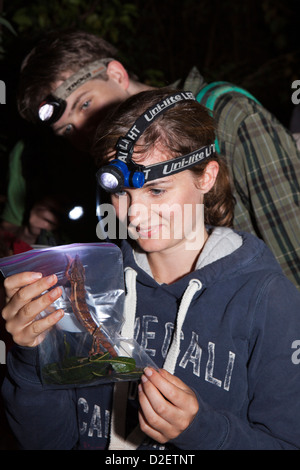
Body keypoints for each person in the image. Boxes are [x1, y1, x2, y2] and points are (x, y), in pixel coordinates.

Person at [2, 89, 300, 450]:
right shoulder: (88, 287)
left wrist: (202, 431)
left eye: (156, 191)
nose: (132, 214)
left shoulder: (268, 300)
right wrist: (29, 354)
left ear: (206, 177)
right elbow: (50, 441)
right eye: (120, 193)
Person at [3, 29, 299, 288]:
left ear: (116, 75)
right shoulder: (109, 172)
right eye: (67, 129)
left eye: (86, 104)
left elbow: (292, 247)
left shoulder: (228, 115)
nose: (84, 132)